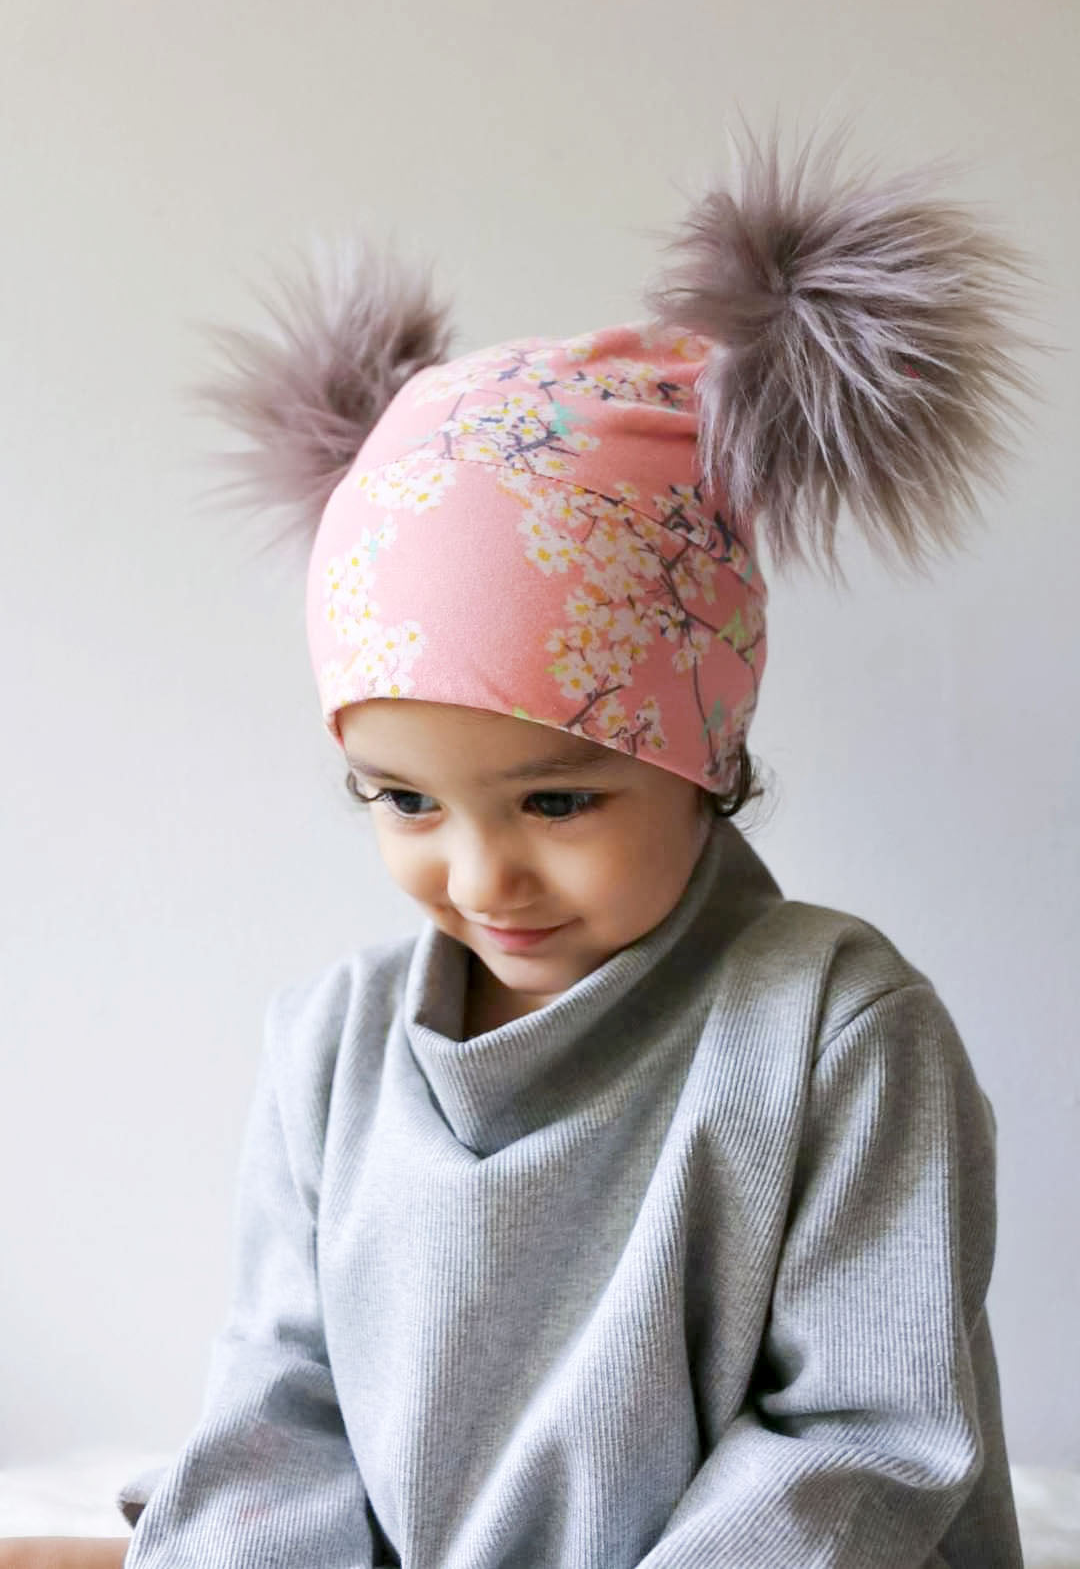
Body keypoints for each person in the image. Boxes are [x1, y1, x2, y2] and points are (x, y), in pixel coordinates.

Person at [1, 127, 1037, 1569]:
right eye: (404, 802)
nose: (481, 877)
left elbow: (863, 1440)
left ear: (706, 757)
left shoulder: (836, 1035)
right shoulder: (333, 1048)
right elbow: (278, 1411)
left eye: (557, 802)